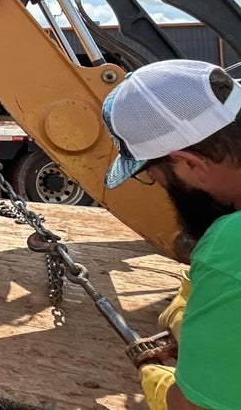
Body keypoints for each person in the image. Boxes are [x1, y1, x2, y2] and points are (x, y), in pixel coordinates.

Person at [102, 58, 241, 410]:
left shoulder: (229, 245)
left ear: (191, 164)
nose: (159, 187)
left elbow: (195, 406)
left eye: (152, 175)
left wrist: (156, 378)